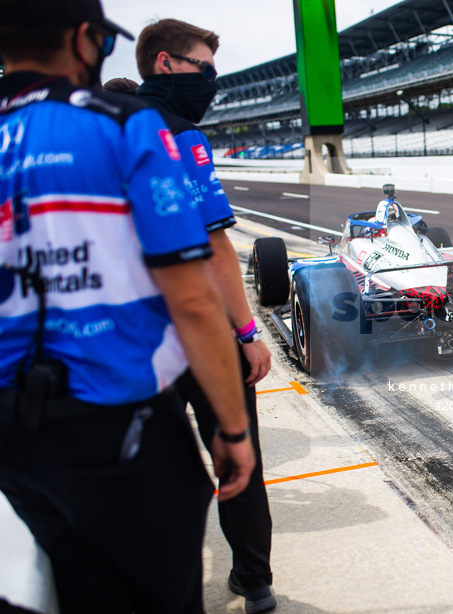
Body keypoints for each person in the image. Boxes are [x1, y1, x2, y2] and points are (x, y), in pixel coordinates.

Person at [0, 0, 255, 612]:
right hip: (119, 425)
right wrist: (232, 427)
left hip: (13, 434)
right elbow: (193, 298)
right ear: (87, 41)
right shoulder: (123, 123)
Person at [135, 18, 276, 613]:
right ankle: (253, 579)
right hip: (203, 330)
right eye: (203, 67)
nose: (211, 82)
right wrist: (247, 332)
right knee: (235, 454)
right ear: (165, 63)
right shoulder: (183, 138)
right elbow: (217, 246)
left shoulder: (100, 132)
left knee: (153, 472)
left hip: (136, 336)